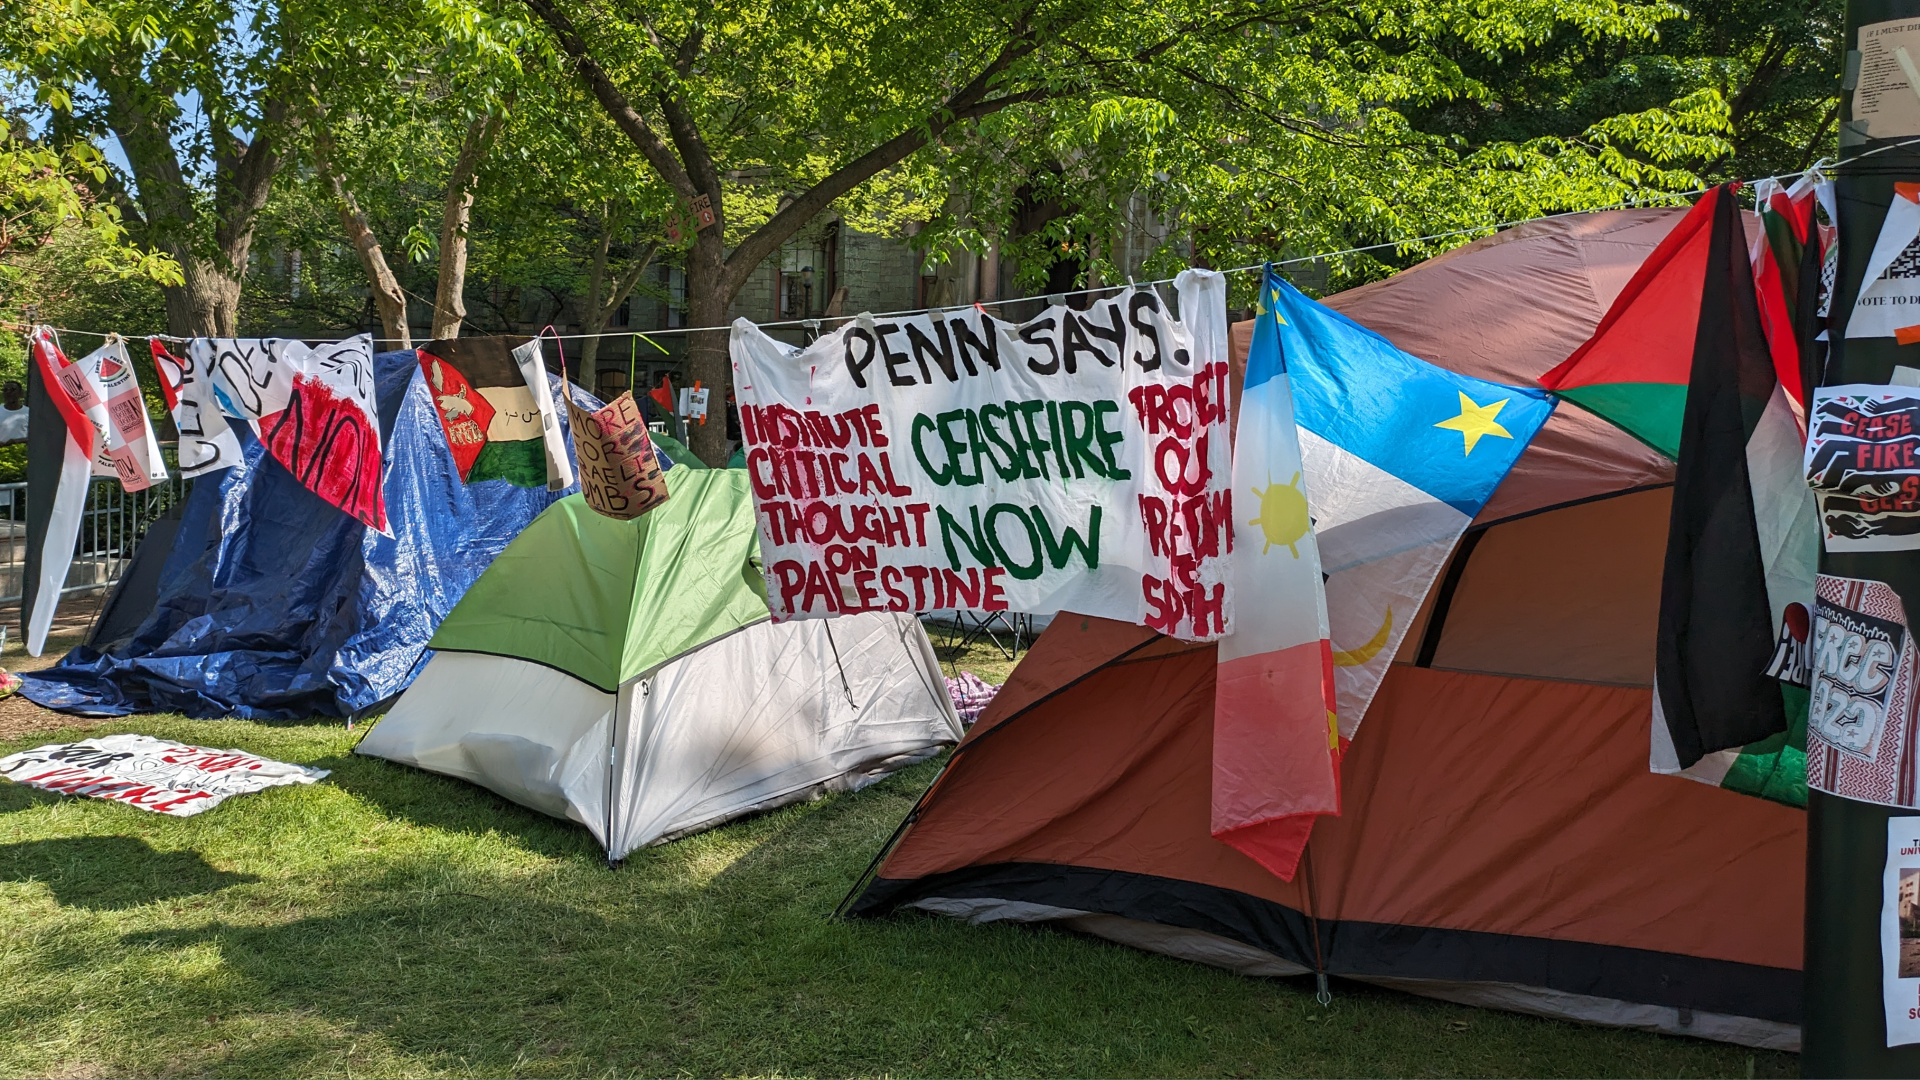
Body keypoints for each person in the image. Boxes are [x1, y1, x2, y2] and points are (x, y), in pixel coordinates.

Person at [0, 380, 28, 446]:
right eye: (5, 390)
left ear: (21, 393)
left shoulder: (29, 412)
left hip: (22, 454)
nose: (8, 392)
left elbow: (37, 436)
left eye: (13, 390)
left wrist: (16, 441)